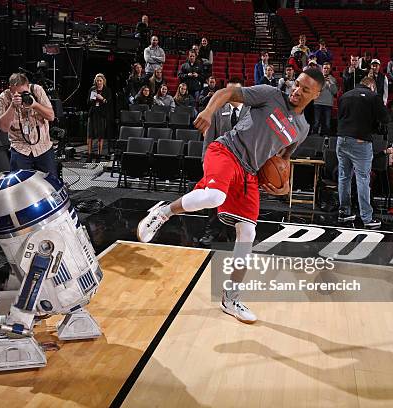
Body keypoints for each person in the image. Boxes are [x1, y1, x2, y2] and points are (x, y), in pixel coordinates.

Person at [136, 69, 325, 324]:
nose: (296, 90)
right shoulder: (270, 95)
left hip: (249, 174)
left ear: (317, 94)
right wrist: (208, 112)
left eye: (304, 89)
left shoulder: (302, 128)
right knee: (214, 196)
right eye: (296, 84)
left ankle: (230, 298)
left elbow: (283, 160)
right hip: (227, 151)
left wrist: (284, 186)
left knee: (248, 235)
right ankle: (163, 213)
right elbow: (227, 92)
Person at [199, 78, 249, 247]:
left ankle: (233, 234)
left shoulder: (251, 112)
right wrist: (205, 161)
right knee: (213, 199)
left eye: (236, 91)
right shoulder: (218, 111)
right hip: (220, 163)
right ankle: (211, 232)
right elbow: (209, 139)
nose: (232, 94)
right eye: (228, 91)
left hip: (243, 165)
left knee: (238, 203)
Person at [336, 77, 388, 229]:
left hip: (341, 139)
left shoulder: (345, 95)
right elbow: (385, 118)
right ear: (371, 85)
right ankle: (366, 218)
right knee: (363, 179)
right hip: (360, 141)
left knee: (344, 177)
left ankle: (344, 212)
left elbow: (340, 117)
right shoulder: (373, 96)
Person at [0, 73, 57, 173]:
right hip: (20, 149)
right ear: (10, 88)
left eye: (24, 93)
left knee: (50, 184)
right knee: (19, 186)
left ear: (28, 86)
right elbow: (3, 128)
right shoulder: (3, 99)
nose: (21, 96)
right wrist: (12, 106)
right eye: (17, 93)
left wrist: (35, 105)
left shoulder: (37, 90)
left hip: (43, 147)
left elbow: (51, 116)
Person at [85, 73, 112, 162]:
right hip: (92, 113)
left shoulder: (107, 90)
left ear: (103, 81)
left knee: (100, 135)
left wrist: (102, 98)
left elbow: (108, 103)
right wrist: (93, 98)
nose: (99, 82)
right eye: (97, 81)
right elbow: (88, 102)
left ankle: (99, 155)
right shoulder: (93, 89)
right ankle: (89, 155)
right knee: (90, 135)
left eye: (100, 81)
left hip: (102, 114)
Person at [313, 62, 338, 136]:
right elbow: (316, 90)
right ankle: (314, 137)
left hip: (328, 103)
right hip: (317, 102)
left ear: (330, 69)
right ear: (322, 69)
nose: (326, 70)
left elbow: (335, 92)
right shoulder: (318, 78)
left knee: (327, 123)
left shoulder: (333, 79)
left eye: (327, 68)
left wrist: (330, 83)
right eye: (324, 68)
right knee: (316, 122)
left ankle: (326, 137)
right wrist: (323, 82)